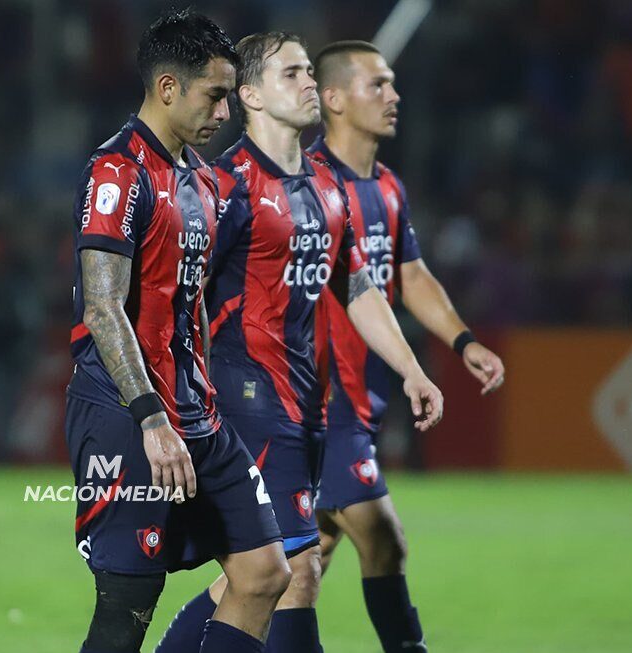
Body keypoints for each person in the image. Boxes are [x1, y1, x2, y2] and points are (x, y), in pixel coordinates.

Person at [156, 33, 443, 653]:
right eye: (293, 74)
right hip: (244, 402)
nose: (310, 83)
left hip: (305, 406)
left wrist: (411, 369)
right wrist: (167, 407)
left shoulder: (327, 184)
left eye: (311, 71)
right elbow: (177, 300)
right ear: (251, 95)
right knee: (296, 573)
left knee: (254, 579)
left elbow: (357, 285)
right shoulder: (223, 188)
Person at [66, 10, 292, 653]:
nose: (225, 111)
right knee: (127, 608)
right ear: (168, 88)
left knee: (264, 572)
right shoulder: (118, 172)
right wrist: (149, 416)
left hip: (197, 416)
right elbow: (104, 308)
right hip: (126, 412)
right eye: (215, 94)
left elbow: (193, 301)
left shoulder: (200, 178)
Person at [308, 40, 506, 652]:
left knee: (294, 568)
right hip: (320, 399)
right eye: (378, 85)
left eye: (393, 84)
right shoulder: (308, 186)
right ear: (333, 99)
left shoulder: (388, 188)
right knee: (382, 536)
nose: (395, 96)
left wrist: (462, 338)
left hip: (363, 396)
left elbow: (410, 275)